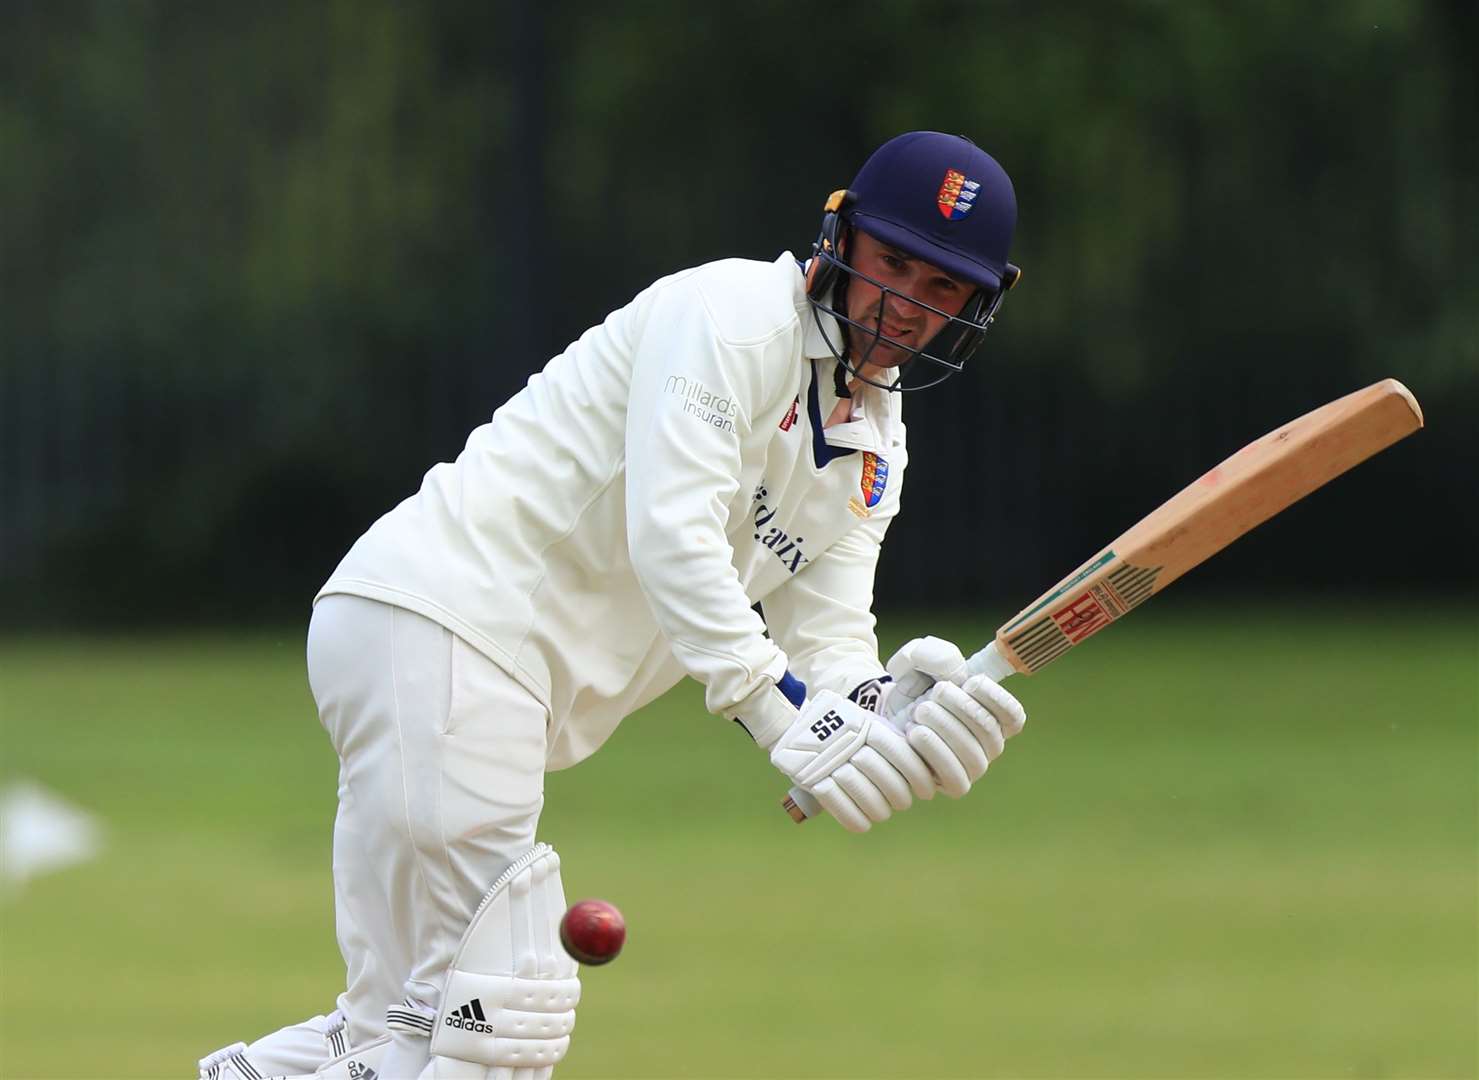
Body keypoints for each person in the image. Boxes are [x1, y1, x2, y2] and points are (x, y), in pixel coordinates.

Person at [197, 130, 1030, 1080]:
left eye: (942, 289)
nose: (907, 307)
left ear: (975, 302)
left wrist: (886, 709)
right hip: (449, 627)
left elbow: (828, 635)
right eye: (893, 265)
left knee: (398, 1030)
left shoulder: (875, 442)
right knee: (499, 1026)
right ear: (840, 238)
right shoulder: (731, 316)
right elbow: (670, 534)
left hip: (454, 662)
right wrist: (770, 709)